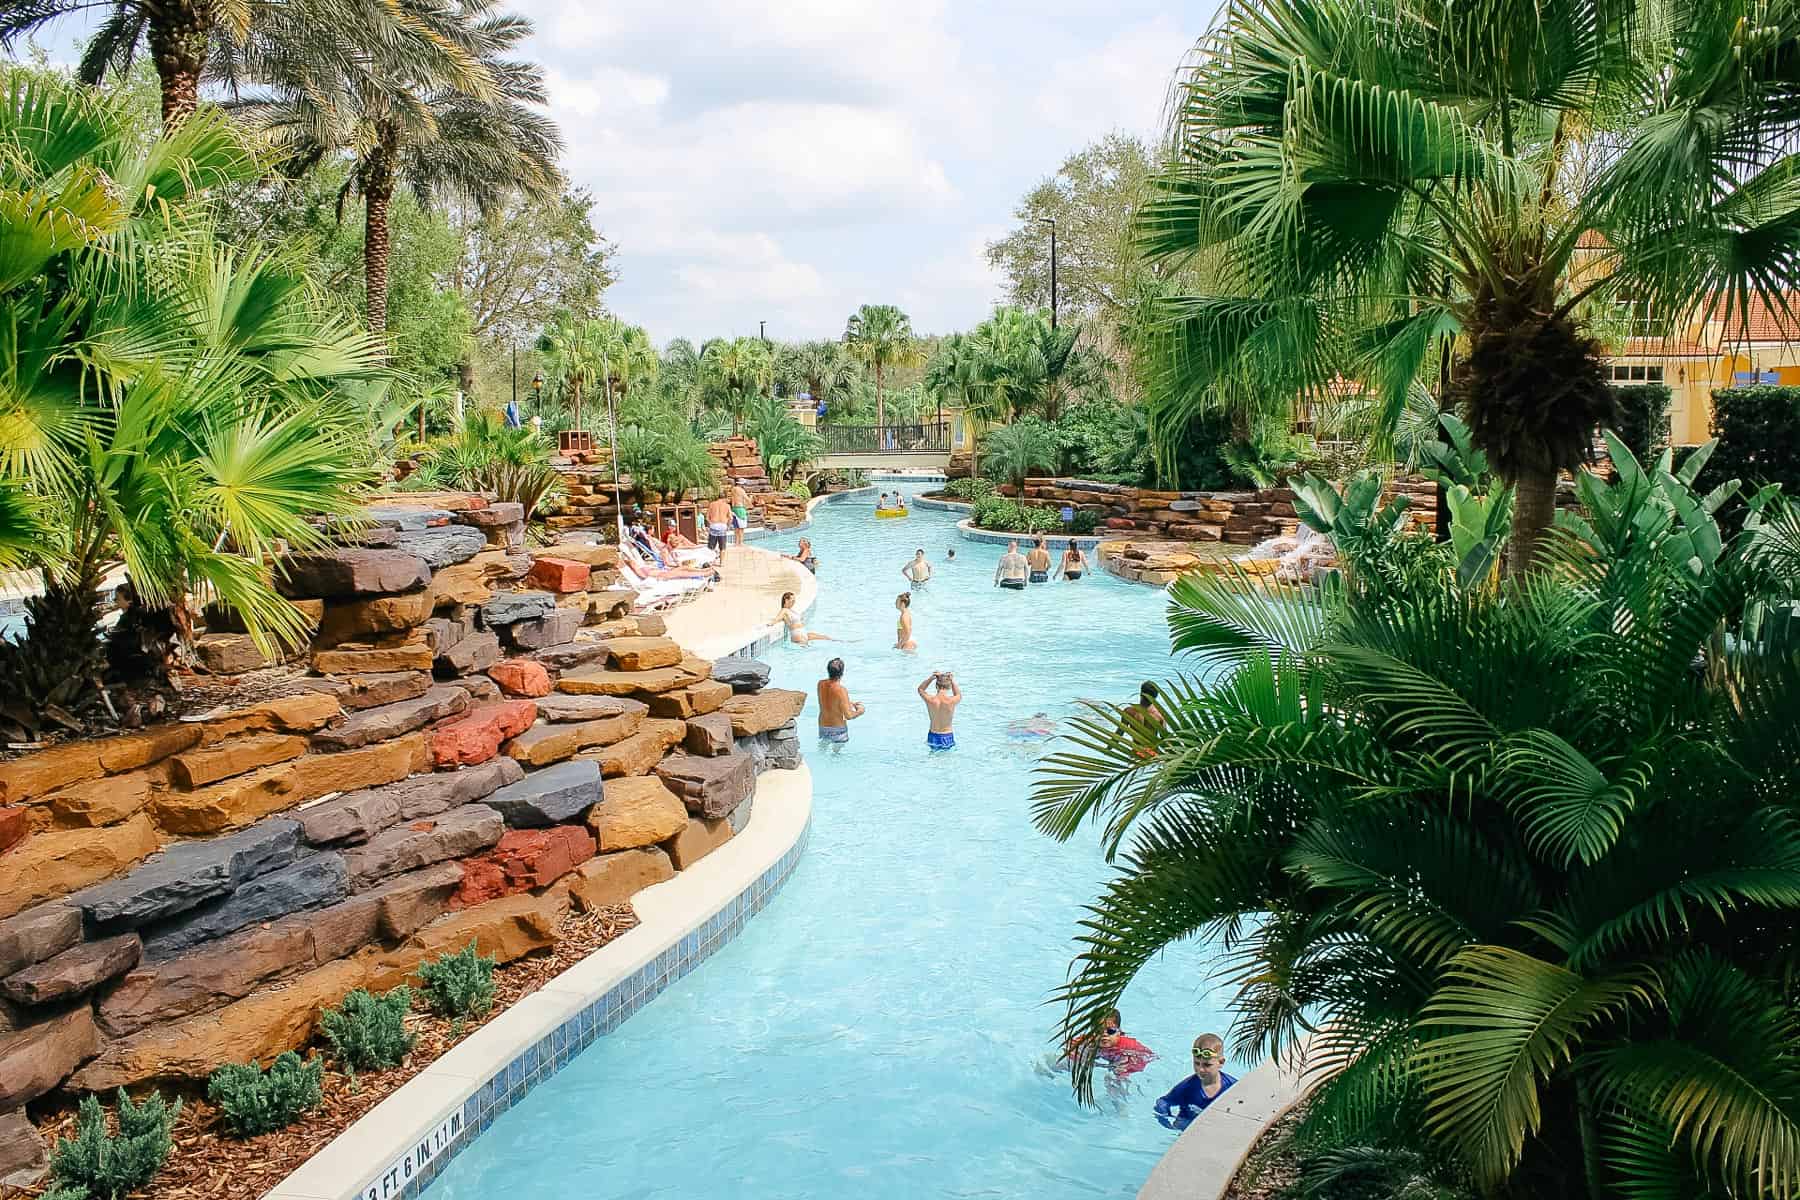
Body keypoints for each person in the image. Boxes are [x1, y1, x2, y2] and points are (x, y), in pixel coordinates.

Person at [1154, 1034, 1237, 1131]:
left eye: (1207, 1065)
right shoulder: (1188, 1087)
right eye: (1197, 1063)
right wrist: (1167, 1123)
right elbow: (1163, 1102)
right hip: (1185, 1126)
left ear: (1221, 1062)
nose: (1200, 1069)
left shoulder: (1232, 1086)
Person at [816, 658, 864, 749]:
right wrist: (860, 711)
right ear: (842, 673)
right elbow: (849, 716)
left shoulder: (820, 684)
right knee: (836, 756)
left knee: (822, 750)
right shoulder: (841, 690)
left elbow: (829, 701)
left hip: (823, 726)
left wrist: (849, 703)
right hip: (837, 730)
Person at [918, 669, 960, 751]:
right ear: (949, 687)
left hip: (933, 735)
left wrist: (931, 678)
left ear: (936, 686)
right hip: (947, 735)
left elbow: (920, 689)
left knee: (933, 759)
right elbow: (958, 694)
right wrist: (952, 680)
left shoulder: (930, 700)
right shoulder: (951, 701)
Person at [1123, 681, 1166, 760]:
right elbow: (1165, 740)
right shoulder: (1159, 716)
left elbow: (1119, 733)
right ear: (1156, 696)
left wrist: (1108, 749)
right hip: (1153, 755)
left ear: (1141, 693)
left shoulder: (1129, 711)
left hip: (1136, 753)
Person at [729, 479, 751, 547]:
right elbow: (748, 500)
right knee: (741, 528)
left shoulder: (733, 489)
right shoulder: (741, 490)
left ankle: (736, 543)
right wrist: (751, 497)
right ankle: (741, 543)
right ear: (741, 484)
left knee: (736, 527)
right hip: (740, 509)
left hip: (734, 509)